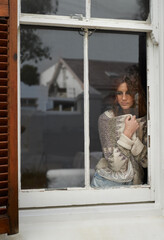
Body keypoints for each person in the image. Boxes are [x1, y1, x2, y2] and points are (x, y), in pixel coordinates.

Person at [91, 67, 147, 188]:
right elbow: (116, 165)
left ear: (136, 95)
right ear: (115, 96)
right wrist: (127, 133)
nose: (124, 98)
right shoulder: (106, 119)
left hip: (135, 184)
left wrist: (134, 138)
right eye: (119, 93)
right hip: (106, 182)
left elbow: (146, 161)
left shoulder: (144, 121)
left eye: (129, 93)